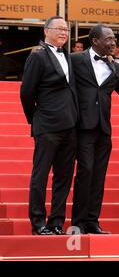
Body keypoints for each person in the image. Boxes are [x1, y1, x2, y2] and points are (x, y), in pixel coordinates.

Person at [20, 16, 78, 235]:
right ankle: (38, 223)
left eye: (66, 29)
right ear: (46, 31)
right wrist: (35, 118)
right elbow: (26, 92)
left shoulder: (69, 56)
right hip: (47, 125)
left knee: (63, 177)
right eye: (59, 29)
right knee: (41, 175)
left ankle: (56, 222)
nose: (64, 32)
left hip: (70, 126)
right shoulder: (38, 56)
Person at [70, 24, 119, 234]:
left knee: (99, 176)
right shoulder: (75, 60)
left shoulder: (114, 66)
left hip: (104, 128)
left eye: (114, 39)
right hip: (83, 126)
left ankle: (93, 221)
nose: (113, 42)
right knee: (85, 172)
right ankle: (78, 222)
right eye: (109, 39)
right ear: (95, 41)